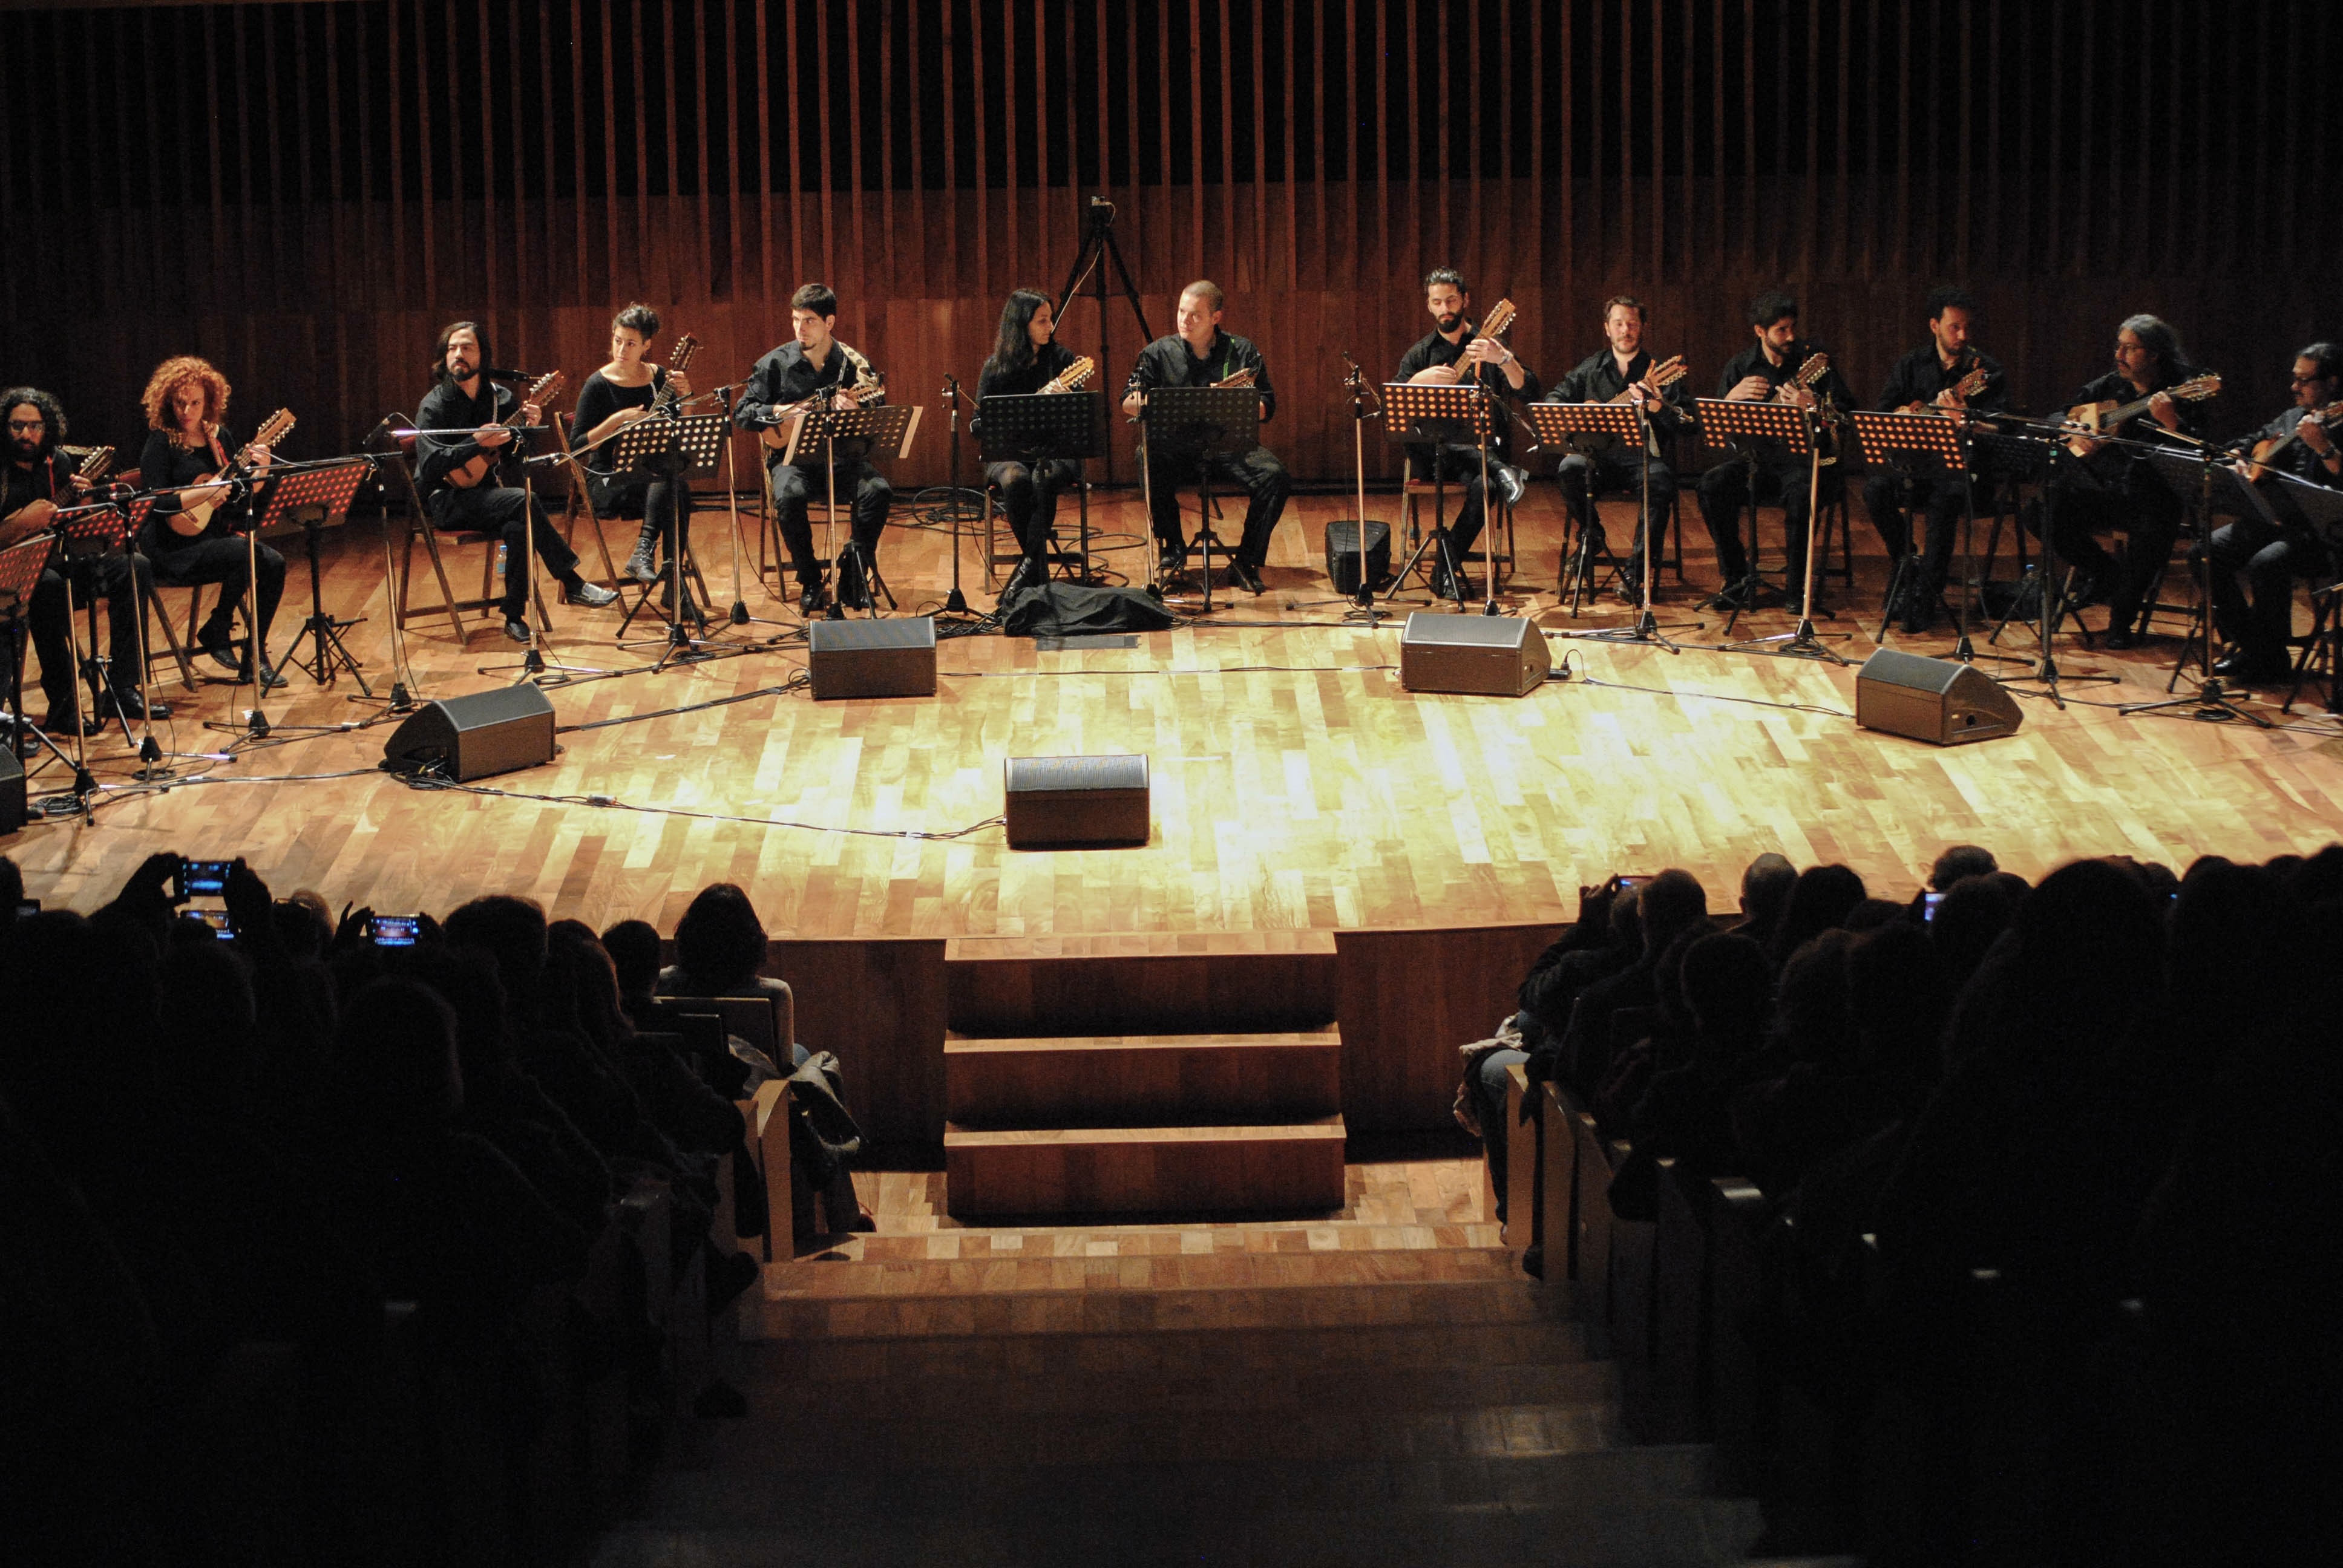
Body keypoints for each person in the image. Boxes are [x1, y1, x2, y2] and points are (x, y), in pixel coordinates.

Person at [412, 321, 618, 642]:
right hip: (445, 499)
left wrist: (528, 432)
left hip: (487, 495)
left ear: (483, 355)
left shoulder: (502, 400)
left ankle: (514, 617)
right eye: (452, 348)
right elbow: (430, 465)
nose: (458, 355)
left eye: (467, 348)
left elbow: (517, 461)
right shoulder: (434, 405)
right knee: (525, 501)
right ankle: (572, 581)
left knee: (519, 527)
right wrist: (475, 442)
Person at [0, 387, 168, 730]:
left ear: (49, 428)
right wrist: (21, 523)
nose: (27, 434)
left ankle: (121, 687)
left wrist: (83, 505)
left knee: (134, 567)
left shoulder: (56, 463)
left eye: (35, 426)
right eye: (17, 426)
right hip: (11, 575)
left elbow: (68, 528)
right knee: (48, 586)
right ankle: (64, 706)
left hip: (55, 561)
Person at [2048, 314, 2211, 648]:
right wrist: (2072, 428)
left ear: (2154, 355)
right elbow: (2057, 416)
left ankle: (2121, 619)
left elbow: (2203, 450)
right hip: (2106, 489)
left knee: (2151, 531)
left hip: (2155, 496)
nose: (2119, 355)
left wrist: (2172, 424)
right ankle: (2106, 574)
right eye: (2118, 346)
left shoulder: (2186, 389)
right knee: (2044, 508)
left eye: (2130, 349)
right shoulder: (2110, 386)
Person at [732, 283, 891, 616]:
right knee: (789, 497)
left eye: (809, 321)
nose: (800, 329)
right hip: (793, 459)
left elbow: (879, 411)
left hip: (842, 458)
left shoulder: (854, 365)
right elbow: (743, 413)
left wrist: (858, 412)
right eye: (795, 320)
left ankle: (852, 571)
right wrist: (780, 412)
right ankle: (810, 582)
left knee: (878, 490)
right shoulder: (773, 364)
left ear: (830, 323)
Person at [1123, 279, 1289, 595]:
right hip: (1177, 448)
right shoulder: (1156, 354)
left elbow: (1268, 406)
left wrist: (1236, 403)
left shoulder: (1243, 351)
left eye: (1195, 315)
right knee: (1146, 456)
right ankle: (1172, 549)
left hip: (1229, 448)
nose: (1185, 320)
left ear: (1216, 318)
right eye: (1182, 312)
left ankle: (1247, 561)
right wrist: (1159, 402)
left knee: (1275, 476)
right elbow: (1127, 403)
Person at [1697, 292, 1855, 613]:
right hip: (1756, 463)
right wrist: (1730, 399)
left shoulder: (1814, 362)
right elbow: (1716, 428)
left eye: (1792, 327)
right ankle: (1736, 578)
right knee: (1711, 486)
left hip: (1802, 464)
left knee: (1800, 494)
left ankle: (1797, 589)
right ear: (1760, 331)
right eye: (1781, 330)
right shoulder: (1740, 366)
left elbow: (1847, 413)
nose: (1791, 336)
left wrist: (1813, 405)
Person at [133, 356, 287, 687]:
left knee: (273, 563)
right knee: (247, 555)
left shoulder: (221, 439)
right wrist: (203, 492)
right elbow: (154, 502)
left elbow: (241, 498)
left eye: (195, 403)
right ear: (167, 402)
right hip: (170, 546)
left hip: (211, 539)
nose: (186, 411)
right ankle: (219, 629)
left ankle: (251, 652)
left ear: (210, 403)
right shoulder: (161, 442)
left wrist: (260, 471)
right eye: (179, 403)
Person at [1864, 287, 2011, 633]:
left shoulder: (1986, 371)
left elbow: (2003, 427)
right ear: (1934, 326)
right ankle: (1907, 562)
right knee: (1875, 491)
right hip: (1915, 465)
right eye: (1954, 327)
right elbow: (1883, 411)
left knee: (1943, 502)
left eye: (1967, 328)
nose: (1963, 335)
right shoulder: (1911, 365)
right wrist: (1904, 414)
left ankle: (1925, 597)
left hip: (1966, 471)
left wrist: (1967, 420)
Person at [1391, 268, 1537, 601]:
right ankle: (1504, 471)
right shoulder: (1421, 354)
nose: (1445, 308)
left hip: (1479, 452)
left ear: (1465, 300)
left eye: (1451, 300)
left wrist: (1505, 360)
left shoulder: (1489, 346)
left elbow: (1528, 390)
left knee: (1485, 487)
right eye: (1437, 302)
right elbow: (1396, 410)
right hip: (1434, 455)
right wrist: (1419, 380)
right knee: (1482, 466)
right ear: (1429, 306)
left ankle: (1446, 563)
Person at [2203, 343, 2342, 682]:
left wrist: (2323, 447)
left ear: (2332, 383)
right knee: (2206, 551)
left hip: (2326, 534)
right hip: (2277, 521)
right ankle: (2256, 650)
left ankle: (2263, 658)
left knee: (2267, 563)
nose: (2294, 388)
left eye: (2304, 381)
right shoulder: (2293, 416)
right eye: (2294, 379)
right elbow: (2257, 438)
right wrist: (2239, 452)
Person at [1544, 295, 1691, 603]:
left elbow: (1687, 423)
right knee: (1569, 468)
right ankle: (1592, 535)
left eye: (1633, 324)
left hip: (1642, 460)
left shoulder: (1657, 371)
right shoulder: (1591, 368)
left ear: (1643, 328)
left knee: (1661, 483)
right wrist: (1582, 411)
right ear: (1607, 329)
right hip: (1597, 459)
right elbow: (1554, 400)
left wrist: (1656, 406)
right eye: (1619, 324)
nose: (1626, 330)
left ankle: (1636, 574)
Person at [569, 302, 696, 606]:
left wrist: (687, 394)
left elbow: (685, 428)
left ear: (647, 346)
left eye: (631, 343)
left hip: (652, 480)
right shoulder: (597, 385)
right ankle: (672, 588)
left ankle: (651, 560)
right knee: (672, 487)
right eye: (617, 340)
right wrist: (617, 420)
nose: (621, 349)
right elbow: (577, 446)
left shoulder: (659, 379)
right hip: (608, 479)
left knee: (675, 486)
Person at [975, 287, 1086, 599]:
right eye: (1042, 320)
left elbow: (1081, 418)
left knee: (1044, 478)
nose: (1050, 326)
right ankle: (1036, 567)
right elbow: (977, 422)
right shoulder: (996, 367)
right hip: (1009, 453)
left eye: (1050, 319)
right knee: (1016, 480)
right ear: (1021, 324)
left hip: (1056, 451)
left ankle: (1028, 571)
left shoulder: (1063, 360)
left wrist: (1066, 402)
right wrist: (1001, 422)